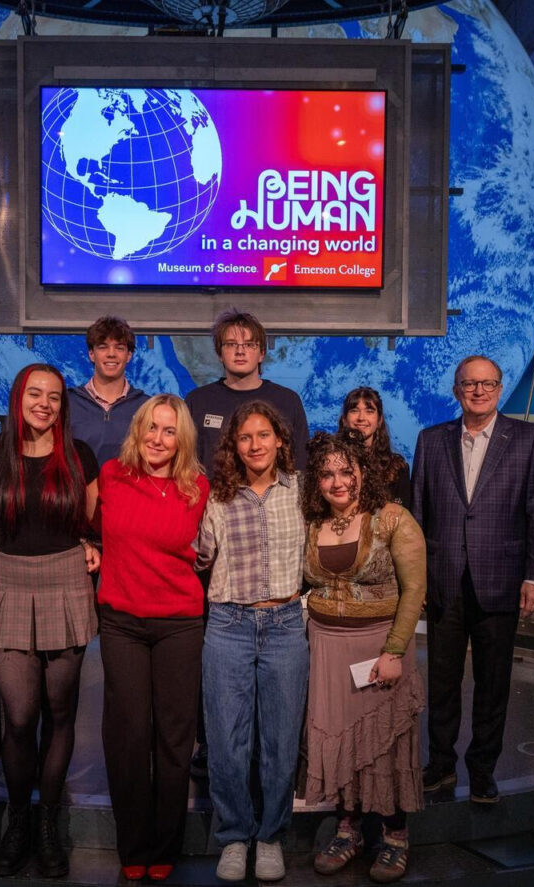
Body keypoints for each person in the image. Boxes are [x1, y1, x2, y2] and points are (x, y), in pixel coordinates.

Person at [411, 355, 534, 804]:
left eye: (487, 384)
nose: (478, 391)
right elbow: (417, 516)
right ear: (457, 389)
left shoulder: (529, 439)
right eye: (470, 384)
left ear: (499, 388)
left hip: (502, 579)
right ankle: (440, 765)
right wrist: (416, 579)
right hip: (444, 579)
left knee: (493, 684)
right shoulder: (431, 440)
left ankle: (483, 770)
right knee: (442, 682)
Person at [0, 363, 100, 879]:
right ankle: (18, 820)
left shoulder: (79, 456)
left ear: (62, 405)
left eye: (53, 396)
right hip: (8, 581)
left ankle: (47, 823)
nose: (44, 404)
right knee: (19, 718)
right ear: (19, 398)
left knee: (59, 714)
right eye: (35, 394)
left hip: (66, 581)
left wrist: (93, 544)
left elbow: (93, 523)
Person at [302, 430, 426, 884]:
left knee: (384, 746)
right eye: (327, 474)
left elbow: (415, 590)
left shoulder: (393, 519)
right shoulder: (313, 521)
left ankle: (395, 837)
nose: (337, 482)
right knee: (338, 741)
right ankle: (347, 831)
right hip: (327, 649)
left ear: (363, 473)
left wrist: (395, 651)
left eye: (346, 472)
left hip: (379, 648)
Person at [96, 395, 209, 882]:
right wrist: (86, 545)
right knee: (128, 736)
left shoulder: (197, 487)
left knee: (173, 738)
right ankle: (133, 844)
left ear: (181, 440)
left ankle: (165, 845)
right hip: (121, 622)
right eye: (152, 428)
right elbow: (80, 522)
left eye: (169, 431)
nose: (158, 439)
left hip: (179, 623)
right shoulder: (111, 476)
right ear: (138, 429)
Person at [195, 401, 308, 883]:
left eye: (264, 435)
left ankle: (270, 837)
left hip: (285, 624)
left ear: (280, 440)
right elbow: (200, 556)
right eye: (245, 437)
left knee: (281, 740)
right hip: (228, 625)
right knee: (226, 740)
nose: (255, 445)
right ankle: (234, 836)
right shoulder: (218, 496)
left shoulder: (301, 491)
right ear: (234, 446)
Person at [185, 308, 309, 478]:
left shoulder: (287, 401)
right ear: (220, 354)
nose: (240, 351)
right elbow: (185, 462)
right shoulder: (197, 401)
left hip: (275, 495)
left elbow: (301, 464)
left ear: (261, 354)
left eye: (249, 345)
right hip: (211, 494)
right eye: (231, 344)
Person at [68, 315, 150, 466]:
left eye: (119, 348)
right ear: (91, 354)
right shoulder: (68, 403)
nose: (111, 354)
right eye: (103, 347)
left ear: (129, 355)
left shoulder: (146, 407)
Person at [338, 386, 412, 508]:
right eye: (354, 411)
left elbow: (402, 514)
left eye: (369, 411)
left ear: (379, 420)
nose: (361, 418)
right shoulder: (329, 464)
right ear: (344, 420)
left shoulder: (397, 468)